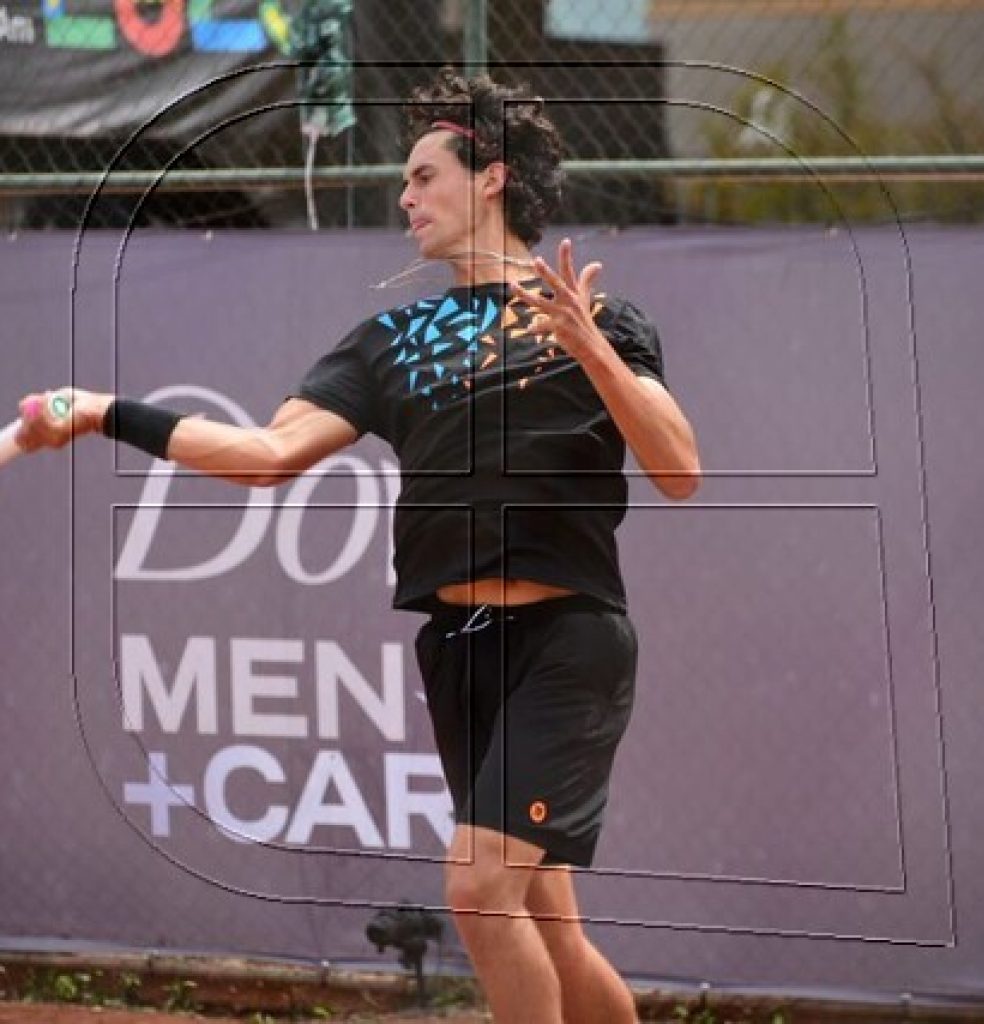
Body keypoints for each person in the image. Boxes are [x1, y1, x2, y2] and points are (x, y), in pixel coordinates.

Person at [16, 69, 700, 1024]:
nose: (405, 196)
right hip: (459, 650)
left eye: (424, 176)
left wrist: (590, 349)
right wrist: (101, 414)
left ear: (490, 178)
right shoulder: (387, 341)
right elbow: (266, 456)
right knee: (546, 926)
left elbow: (679, 468)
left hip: (570, 642)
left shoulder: (600, 319)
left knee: (475, 891)